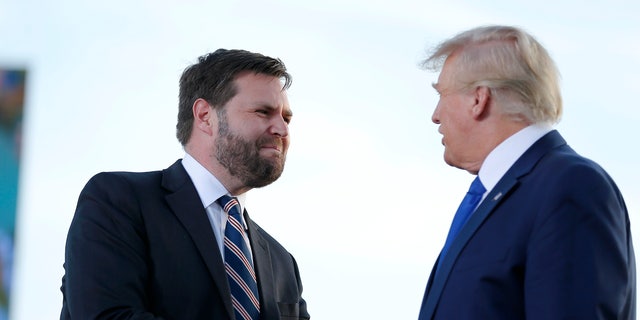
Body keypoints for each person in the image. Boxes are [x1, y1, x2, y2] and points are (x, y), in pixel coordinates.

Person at [60, 49, 310, 319]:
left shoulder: (282, 264)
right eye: (264, 112)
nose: (282, 130)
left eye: (286, 118)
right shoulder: (119, 202)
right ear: (204, 115)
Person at [417, 25, 635, 319]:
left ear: (478, 99)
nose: (435, 115)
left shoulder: (571, 186)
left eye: (442, 94)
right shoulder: (501, 195)